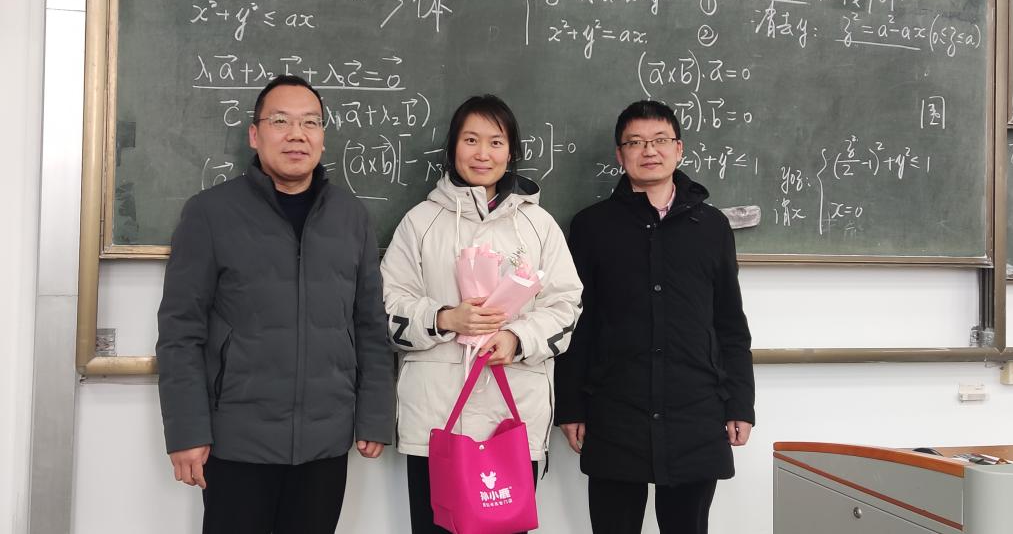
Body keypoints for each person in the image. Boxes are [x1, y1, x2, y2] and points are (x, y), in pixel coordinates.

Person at [155, 75, 394, 534]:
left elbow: (369, 324)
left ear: (322, 137)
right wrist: (186, 431)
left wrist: (375, 417)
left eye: (310, 123)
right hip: (237, 441)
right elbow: (180, 331)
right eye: (280, 121)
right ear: (255, 134)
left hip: (325, 443)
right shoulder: (210, 213)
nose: (297, 135)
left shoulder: (351, 217)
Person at [381, 94, 583, 534]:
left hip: (513, 418)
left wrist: (517, 338)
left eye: (496, 142)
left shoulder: (539, 225)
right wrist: (444, 318)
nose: (482, 153)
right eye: (470, 140)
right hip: (436, 420)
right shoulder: (420, 222)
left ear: (511, 152)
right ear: (453, 147)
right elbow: (388, 305)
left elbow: (566, 304)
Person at [554, 100, 755, 534]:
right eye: (635, 142)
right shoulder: (591, 226)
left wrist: (741, 403)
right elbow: (576, 324)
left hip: (695, 409)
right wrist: (570, 406)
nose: (649, 150)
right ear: (620, 154)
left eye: (660, 140)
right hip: (615, 408)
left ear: (679, 149)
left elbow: (729, 324)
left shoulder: (711, 226)